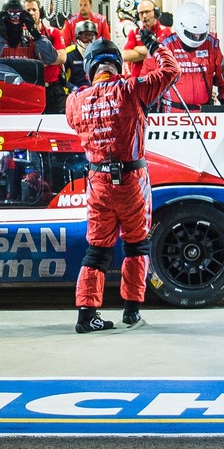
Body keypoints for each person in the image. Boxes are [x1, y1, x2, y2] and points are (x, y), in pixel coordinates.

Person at [65, 36, 181, 332]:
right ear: (116, 62)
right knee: (136, 245)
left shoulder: (76, 101)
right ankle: (131, 311)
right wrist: (155, 46)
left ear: (90, 67)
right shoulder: (132, 88)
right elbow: (172, 70)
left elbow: (72, 110)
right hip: (131, 181)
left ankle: (86, 315)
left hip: (98, 183)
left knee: (97, 250)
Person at [161, 0, 224, 110]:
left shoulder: (211, 45)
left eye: (200, 35)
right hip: (172, 112)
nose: (197, 38)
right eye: (193, 35)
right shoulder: (165, 46)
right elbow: (150, 78)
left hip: (204, 111)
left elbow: (223, 77)